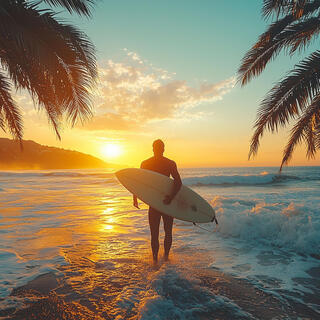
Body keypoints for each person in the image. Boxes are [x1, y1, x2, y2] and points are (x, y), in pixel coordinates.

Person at [133, 139, 182, 263]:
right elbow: (178, 183)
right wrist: (170, 198)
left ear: (153, 148)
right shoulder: (170, 163)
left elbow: (138, 183)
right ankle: (165, 257)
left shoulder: (146, 163)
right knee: (168, 232)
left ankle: (155, 260)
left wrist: (135, 197)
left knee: (155, 234)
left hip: (154, 203)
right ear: (163, 149)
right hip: (166, 203)